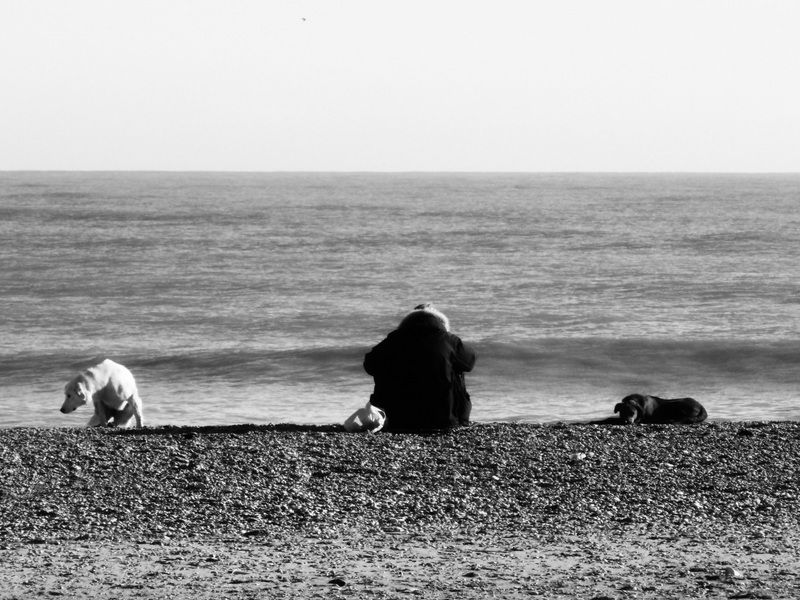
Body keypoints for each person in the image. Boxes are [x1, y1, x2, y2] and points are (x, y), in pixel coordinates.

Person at [363, 304, 476, 431]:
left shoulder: (393, 339)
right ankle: (460, 418)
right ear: (440, 321)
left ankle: (387, 416)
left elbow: (369, 366)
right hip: (443, 419)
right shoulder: (450, 341)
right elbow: (469, 363)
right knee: (456, 366)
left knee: (383, 365)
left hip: (399, 419)